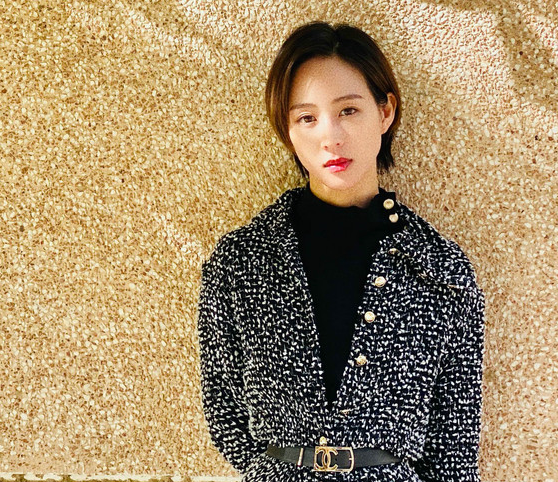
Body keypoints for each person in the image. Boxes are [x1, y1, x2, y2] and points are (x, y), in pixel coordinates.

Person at [197, 21, 485, 482]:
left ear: (385, 112)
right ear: (288, 130)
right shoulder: (241, 262)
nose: (330, 136)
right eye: (306, 118)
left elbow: (454, 451)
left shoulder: (440, 273)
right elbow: (225, 413)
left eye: (348, 110)